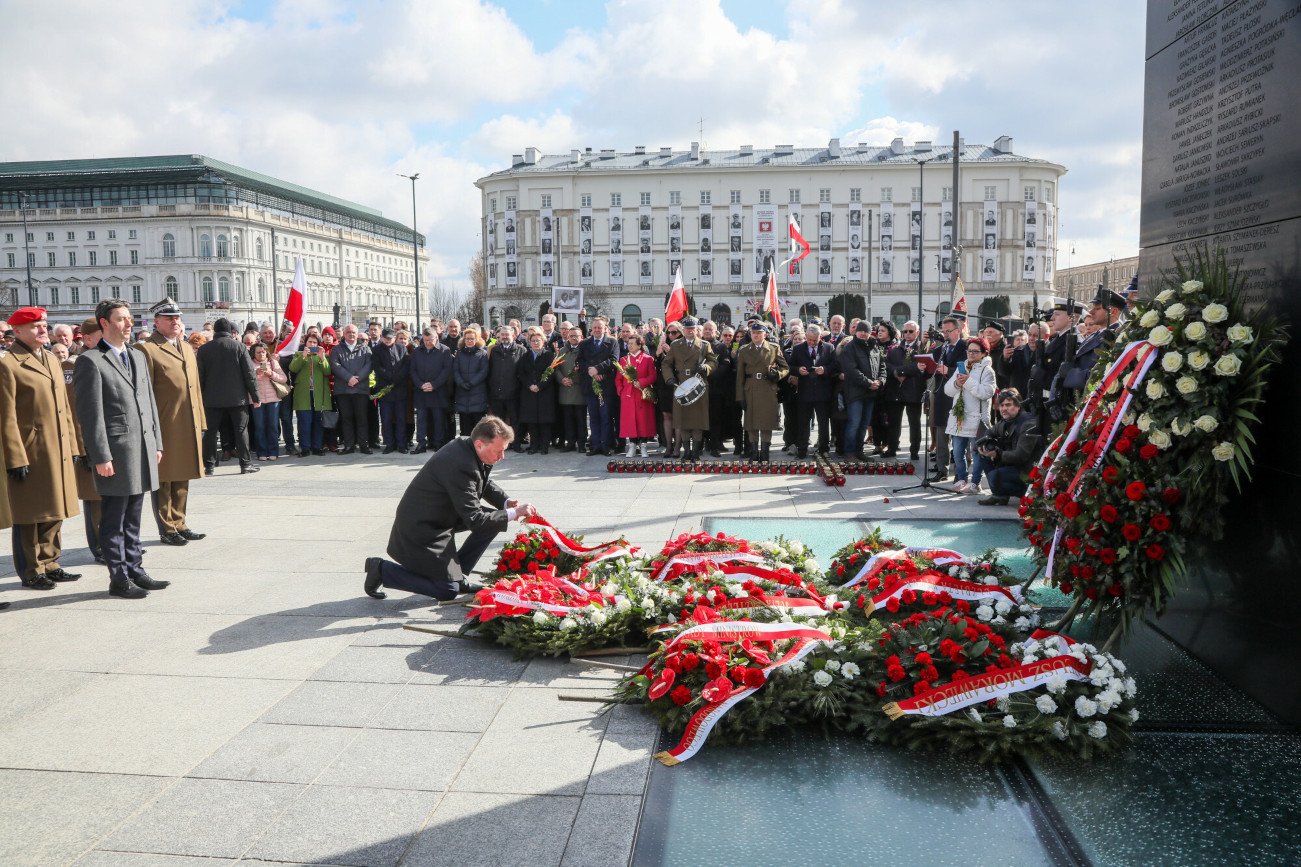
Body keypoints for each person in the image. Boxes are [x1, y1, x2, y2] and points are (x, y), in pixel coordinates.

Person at [364, 416, 536, 602]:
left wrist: (505, 502)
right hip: (423, 528)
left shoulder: (468, 446)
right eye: (499, 451)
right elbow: (475, 519)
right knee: (447, 590)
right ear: (480, 444)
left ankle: (458, 574)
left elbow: (481, 481)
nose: (502, 457)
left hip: (445, 515)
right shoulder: (461, 464)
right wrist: (515, 513)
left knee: (495, 521)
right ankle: (382, 570)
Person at [72, 300, 167, 599]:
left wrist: (157, 442)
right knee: (114, 518)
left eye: (130, 319)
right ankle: (118, 577)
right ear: (104, 323)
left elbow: (149, 402)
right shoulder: (90, 361)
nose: (129, 324)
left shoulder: (137, 356)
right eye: (122, 319)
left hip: (142, 447)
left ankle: (136, 568)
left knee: (135, 515)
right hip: (115, 451)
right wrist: (100, 455)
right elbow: (90, 415)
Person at [0, 307, 81, 591]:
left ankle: (51, 562)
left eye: (44, 325)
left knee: (55, 508)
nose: (42, 330)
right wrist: (15, 456)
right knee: (30, 514)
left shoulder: (49, 358)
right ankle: (31, 570)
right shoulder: (9, 364)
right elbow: (5, 415)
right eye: (35, 326)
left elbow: (65, 409)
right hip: (31, 450)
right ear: (18, 332)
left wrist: (72, 444)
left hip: (56, 446)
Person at [134, 299, 208, 546]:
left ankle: (180, 521)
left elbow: (195, 388)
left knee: (183, 474)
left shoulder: (186, 347)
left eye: (177, 318)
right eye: (169, 318)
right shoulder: (147, 349)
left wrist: (201, 420)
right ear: (156, 322)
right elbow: (144, 392)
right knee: (164, 478)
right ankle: (167, 527)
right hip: (165, 423)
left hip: (188, 421)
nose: (175, 321)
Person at [60, 318, 105, 561]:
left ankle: (115, 543)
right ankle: (100, 546)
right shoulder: (75, 364)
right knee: (95, 498)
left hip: (111, 440)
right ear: (87, 338)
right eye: (102, 332)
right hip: (89, 440)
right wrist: (84, 447)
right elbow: (75, 409)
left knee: (113, 497)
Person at [196, 318, 258, 475]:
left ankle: (209, 466)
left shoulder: (204, 349)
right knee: (241, 430)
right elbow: (249, 374)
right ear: (231, 331)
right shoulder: (240, 347)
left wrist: (201, 396)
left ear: (215, 331)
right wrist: (255, 396)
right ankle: (245, 464)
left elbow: (199, 376)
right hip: (238, 398)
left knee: (210, 433)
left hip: (212, 399)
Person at [1055, 288, 1127, 408]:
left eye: (1097, 308)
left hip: (1094, 404)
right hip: (1079, 400)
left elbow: (1103, 374)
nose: (1091, 311)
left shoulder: (1117, 336)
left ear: (1113, 311)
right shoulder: (1096, 334)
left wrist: (1071, 374)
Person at [944, 337, 997, 494]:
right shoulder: (962, 367)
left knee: (976, 452)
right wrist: (957, 383)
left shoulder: (987, 371)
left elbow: (986, 393)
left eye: (976, 351)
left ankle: (975, 483)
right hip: (959, 418)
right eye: (969, 350)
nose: (971, 354)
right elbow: (948, 390)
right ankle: (961, 479)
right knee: (958, 452)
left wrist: (967, 382)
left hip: (977, 419)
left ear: (983, 353)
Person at [973, 389, 1042, 506]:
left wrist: (997, 454)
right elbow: (990, 432)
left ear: (1018, 406)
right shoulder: (1006, 421)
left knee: (995, 476)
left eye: (1008, 405)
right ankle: (1000, 495)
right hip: (1012, 466)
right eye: (1002, 405)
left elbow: (1021, 455)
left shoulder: (1028, 423)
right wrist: (985, 444)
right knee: (983, 453)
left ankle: (1026, 493)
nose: (1004, 409)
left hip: (1027, 471)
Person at [660, 316, 715, 461]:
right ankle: (686, 451)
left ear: (697, 329)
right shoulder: (676, 345)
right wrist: (669, 377)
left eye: (693, 328)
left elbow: (713, 361)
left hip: (698, 385)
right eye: (687, 328)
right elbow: (666, 364)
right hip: (681, 385)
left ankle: (696, 451)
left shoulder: (704, 345)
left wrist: (706, 367)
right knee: (682, 420)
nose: (690, 331)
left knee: (697, 421)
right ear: (683, 330)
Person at [734, 322, 788, 462]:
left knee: (766, 422)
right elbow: (740, 375)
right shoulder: (744, 350)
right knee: (751, 423)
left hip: (767, 387)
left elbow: (785, 368)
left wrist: (777, 374)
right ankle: (753, 452)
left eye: (759, 333)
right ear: (750, 334)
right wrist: (740, 396)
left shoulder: (773, 348)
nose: (756, 335)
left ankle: (765, 453)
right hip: (750, 388)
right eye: (753, 333)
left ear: (765, 334)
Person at [926, 316, 969, 481]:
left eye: (948, 331)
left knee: (960, 436)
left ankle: (961, 471)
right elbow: (932, 369)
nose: (945, 334)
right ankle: (942, 469)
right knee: (941, 433)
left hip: (959, 396)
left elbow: (966, 370)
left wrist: (948, 371)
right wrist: (925, 367)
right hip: (942, 396)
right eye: (943, 331)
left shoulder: (967, 348)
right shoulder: (940, 349)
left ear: (958, 331)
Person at [838, 321, 886, 460]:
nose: (863, 333)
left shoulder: (875, 347)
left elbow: (882, 366)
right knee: (854, 423)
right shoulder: (849, 348)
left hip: (871, 393)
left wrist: (880, 381)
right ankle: (849, 452)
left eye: (866, 331)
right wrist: (869, 383)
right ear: (855, 332)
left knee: (864, 424)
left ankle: (859, 451)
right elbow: (851, 371)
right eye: (861, 331)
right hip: (855, 393)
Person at [789, 323, 837, 458]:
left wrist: (825, 370)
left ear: (820, 337)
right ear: (806, 336)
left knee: (823, 423)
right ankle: (802, 449)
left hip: (822, 392)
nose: (811, 342)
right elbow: (790, 366)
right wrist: (798, 370)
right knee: (803, 422)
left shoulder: (829, 347)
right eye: (809, 339)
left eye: (814, 340)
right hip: (805, 392)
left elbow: (835, 365)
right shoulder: (798, 349)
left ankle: (823, 449)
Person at [884, 321, 926, 460]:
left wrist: (901, 371)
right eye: (905, 331)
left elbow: (921, 367)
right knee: (894, 422)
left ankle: (914, 451)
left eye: (911, 331)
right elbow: (887, 366)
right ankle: (892, 448)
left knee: (914, 423)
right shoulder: (894, 348)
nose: (907, 334)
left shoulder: (922, 348)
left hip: (913, 391)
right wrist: (896, 372)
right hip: (895, 390)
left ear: (917, 333)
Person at [577, 316, 619, 456]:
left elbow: (614, 360)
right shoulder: (584, 344)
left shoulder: (612, 342)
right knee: (594, 417)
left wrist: (599, 369)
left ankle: (606, 445)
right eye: (594, 327)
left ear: (605, 328)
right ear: (591, 328)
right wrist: (591, 371)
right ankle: (595, 446)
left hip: (606, 385)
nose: (597, 330)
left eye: (600, 327)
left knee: (606, 417)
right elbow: (580, 362)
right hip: (590, 386)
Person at [330, 324, 373, 455]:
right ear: (343, 333)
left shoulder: (366, 349)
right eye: (348, 332)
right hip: (343, 390)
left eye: (353, 332)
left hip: (361, 390)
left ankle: (363, 445)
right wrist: (349, 378)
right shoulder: (337, 350)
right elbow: (335, 365)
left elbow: (369, 365)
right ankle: (349, 445)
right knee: (346, 418)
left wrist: (357, 378)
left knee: (362, 418)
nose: (351, 334)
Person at [514, 328, 557, 454]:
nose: (535, 343)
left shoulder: (548, 355)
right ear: (529, 342)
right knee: (532, 421)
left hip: (544, 392)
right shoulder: (525, 356)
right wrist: (530, 385)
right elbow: (521, 373)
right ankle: (534, 446)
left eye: (538, 341)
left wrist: (540, 385)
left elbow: (551, 373)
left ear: (543, 341)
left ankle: (544, 446)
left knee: (544, 421)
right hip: (529, 393)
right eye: (533, 341)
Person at [289, 333, 332, 456]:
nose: (312, 344)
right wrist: (303, 356)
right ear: (305, 343)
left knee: (318, 422)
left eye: (315, 343)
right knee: (304, 423)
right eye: (310, 342)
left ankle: (317, 447)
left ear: (318, 345)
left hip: (318, 395)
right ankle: (305, 448)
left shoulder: (322, 356)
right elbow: (293, 368)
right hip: (303, 394)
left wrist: (322, 358)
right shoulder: (298, 354)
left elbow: (327, 371)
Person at [410, 327, 453, 454]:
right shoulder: (417, 351)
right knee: (421, 419)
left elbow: (446, 371)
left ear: (436, 338)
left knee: (438, 419)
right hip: (421, 391)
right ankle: (421, 444)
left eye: (430, 340)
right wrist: (420, 384)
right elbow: (413, 370)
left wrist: (434, 384)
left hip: (438, 391)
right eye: (425, 340)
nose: (428, 342)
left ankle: (438, 444)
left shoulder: (445, 350)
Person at [615, 333, 657, 457]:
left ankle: (643, 446)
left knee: (643, 420)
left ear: (639, 345)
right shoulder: (623, 360)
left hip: (642, 394)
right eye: (628, 344)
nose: (630, 346)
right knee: (630, 421)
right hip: (628, 395)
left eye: (632, 344)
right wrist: (621, 391)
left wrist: (642, 382)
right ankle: (632, 445)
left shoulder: (648, 359)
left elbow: (653, 376)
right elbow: (618, 379)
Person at [372, 327, 411, 454]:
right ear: (382, 337)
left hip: (400, 389)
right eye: (386, 337)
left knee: (401, 418)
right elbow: (377, 368)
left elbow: (406, 366)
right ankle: (389, 444)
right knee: (386, 419)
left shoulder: (402, 348)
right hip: (385, 389)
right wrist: (390, 377)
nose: (388, 340)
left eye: (390, 337)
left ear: (394, 338)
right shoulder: (376, 350)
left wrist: (397, 378)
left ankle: (401, 444)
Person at [249, 343, 288, 461]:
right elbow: (245, 380)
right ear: (253, 353)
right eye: (258, 352)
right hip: (257, 399)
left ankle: (273, 451)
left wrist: (271, 373)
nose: (261, 354)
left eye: (263, 351)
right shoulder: (249, 363)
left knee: (272, 426)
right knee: (259, 426)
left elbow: (284, 379)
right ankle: (261, 452)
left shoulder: (272, 362)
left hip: (273, 399)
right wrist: (256, 374)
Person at [487, 325, 525, 442]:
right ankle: (500, 443)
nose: (504, 337)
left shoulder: (521, 350)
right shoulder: (494, 350)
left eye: (507, 334)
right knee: (498, 421)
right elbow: (490, 370)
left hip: (514, 393)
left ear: (513, 336)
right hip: (496, 393)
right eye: (502, 335)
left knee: (515, 420)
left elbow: (523, 372)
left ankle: (516, 443)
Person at [555, 326, 587, 452]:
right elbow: (555, 368)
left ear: (581, 337)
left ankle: (582, 443)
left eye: (576, 336)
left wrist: (575, 379)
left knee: (581, 419)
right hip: (565, 391)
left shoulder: (585, 350)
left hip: (579, 391)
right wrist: (562, 379)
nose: (574, 338)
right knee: (568, 420)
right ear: (568, 337)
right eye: (571, 335)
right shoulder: (562, 351)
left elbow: (586, 368)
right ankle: (570, 442)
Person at [453, 326, 490, 434]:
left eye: (472, 338)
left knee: (478, 428)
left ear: (477, 339)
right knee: (465, 427)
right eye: (467, 338)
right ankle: (465, 449)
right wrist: (461, 383)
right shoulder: (459, 353)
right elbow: (455, 370)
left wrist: (471, 383)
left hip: (477, 393)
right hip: (462, 393)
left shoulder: (482, 354)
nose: (469, 341)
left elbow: (483, 371)